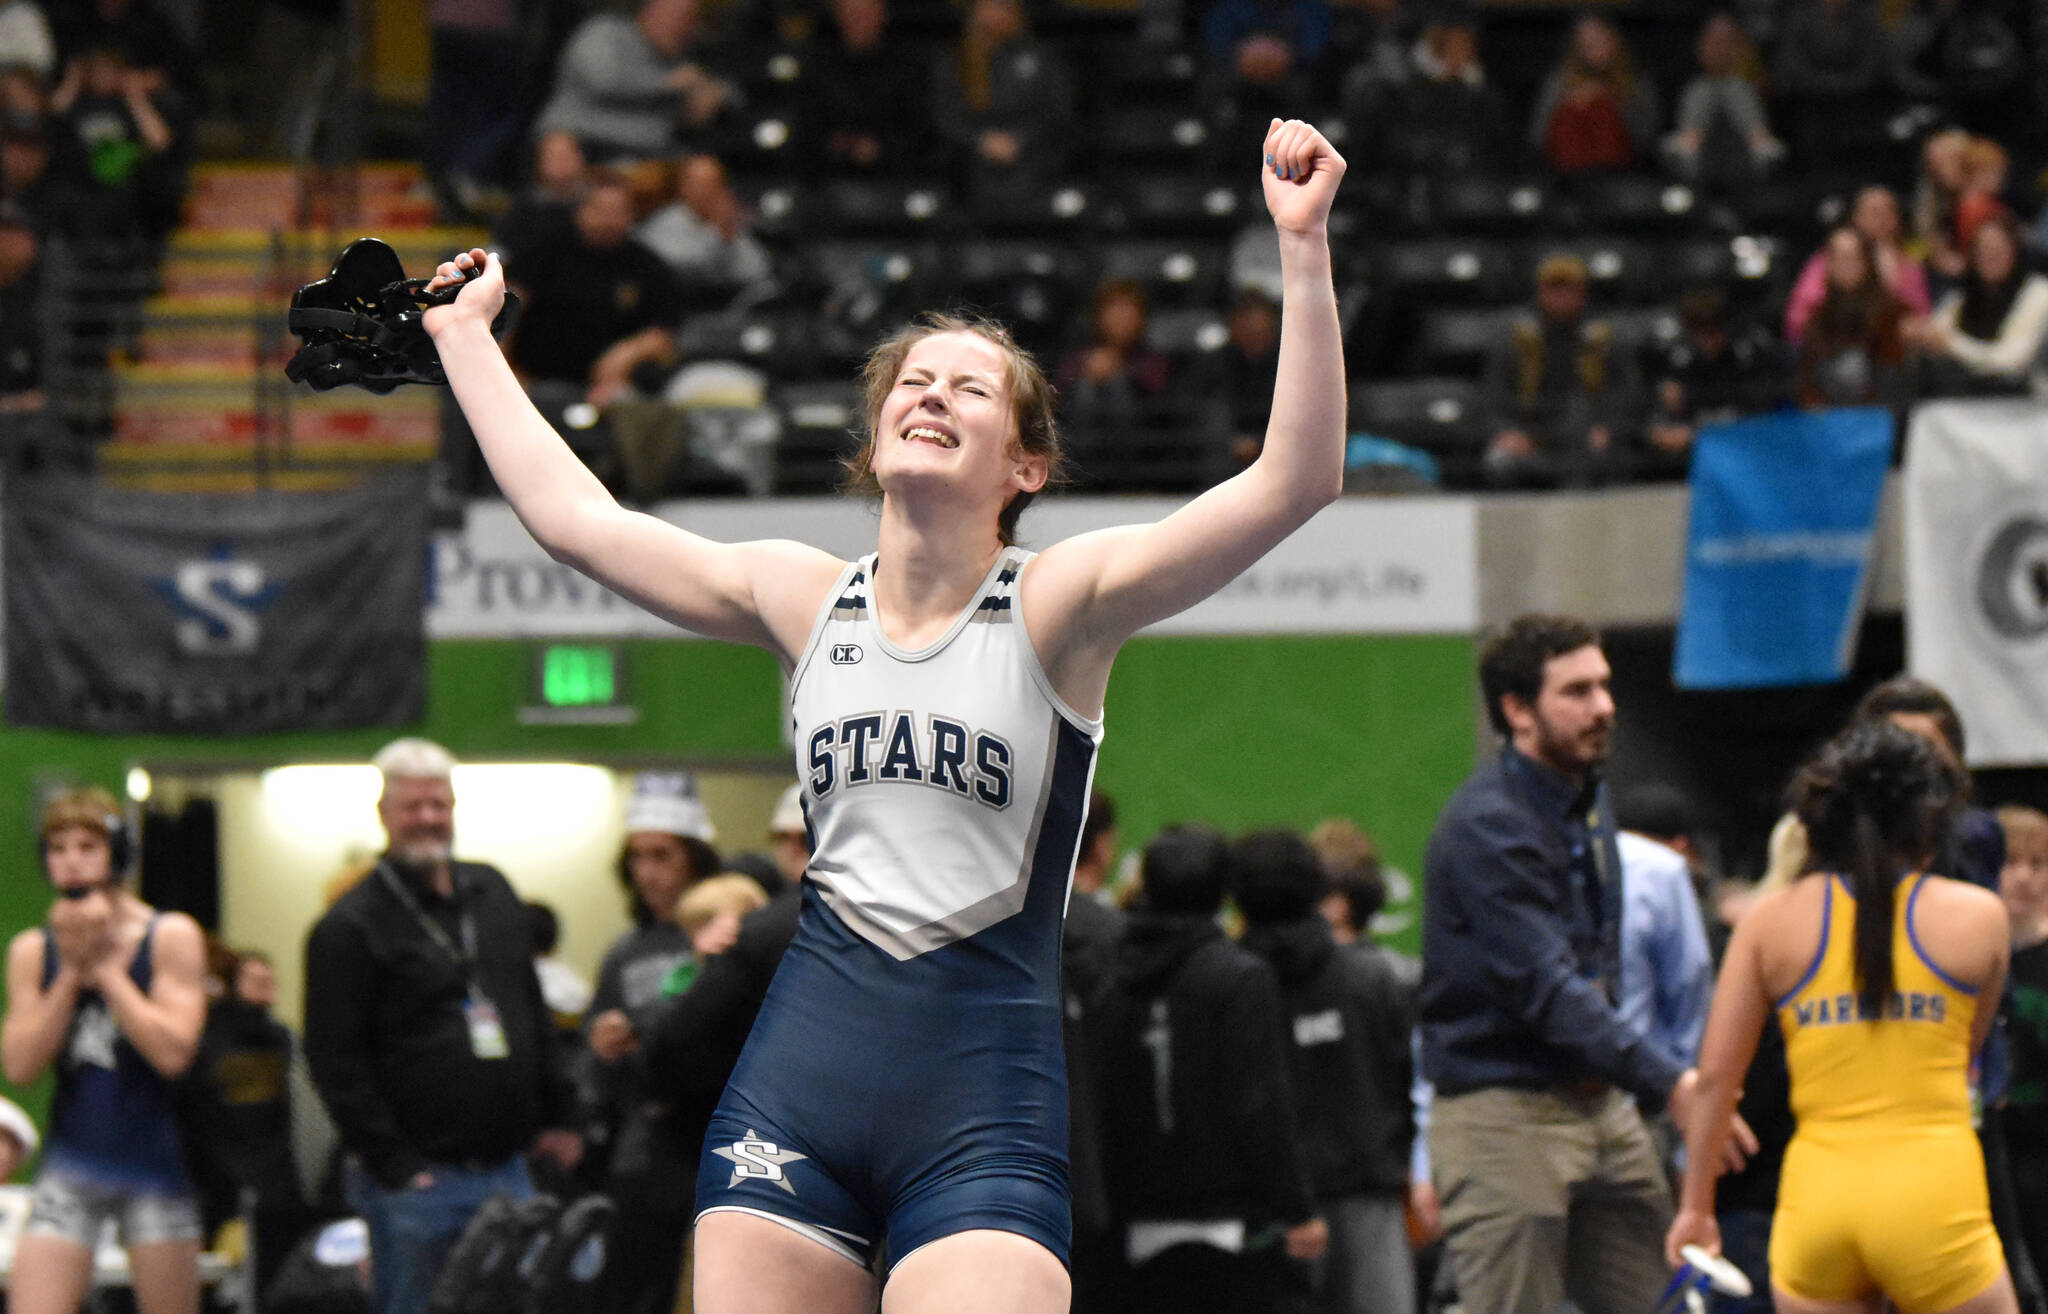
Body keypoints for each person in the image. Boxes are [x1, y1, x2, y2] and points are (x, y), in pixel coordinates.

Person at [420, 116, 1348, 1314]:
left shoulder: (1060, 601)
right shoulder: (800, 595)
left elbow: (1297, 477)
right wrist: (463, 339)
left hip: (982, 1107)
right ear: (872, 438)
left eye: (970, 388)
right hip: (797, 1087)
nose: (930, 394)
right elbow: (578, 523)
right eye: (912, 381)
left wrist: (1304, 247)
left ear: (1023, 465)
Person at [1418, 614, 1754, 1314]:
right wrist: (1675, 1085)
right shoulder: (1489, 826)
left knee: (1660, 1301)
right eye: (1576, 691)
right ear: (1517, 711)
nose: (1604, 707)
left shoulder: (1588, 794)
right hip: (1502, 1115)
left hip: (1601, 1104)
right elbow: (1547, 990)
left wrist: (1663, 1087)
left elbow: (1596, 966)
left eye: (1603, 686)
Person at [1666, 720, 2018, 1314]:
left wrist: (1696, 1209)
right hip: (1934, 1195)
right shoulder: (1979, 917)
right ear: (1928, 819)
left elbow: (1717, 1080)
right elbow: (1966, 1053)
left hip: (1817, 1203)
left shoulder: (1768, 921)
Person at [302, 738, 581, 1314]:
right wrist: (397, 1168)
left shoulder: (494, 892)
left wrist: (562, 1114)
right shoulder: (349, 926)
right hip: (419, 1184)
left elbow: (530, 1009)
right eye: (413, 807)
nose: (429, 818)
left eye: (440, 804)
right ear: (384, 814)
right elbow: (334, 1062)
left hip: (511, 1167)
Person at [1096, 825, 1326, 1314]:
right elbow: (1260, 1103)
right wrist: (1298, 1209)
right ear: (1224, 892)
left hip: (1131, 1228)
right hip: (1232, 1233)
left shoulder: (1112, 982)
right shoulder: (1240, 978)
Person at [1, 786, 207, 1314]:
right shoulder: (32, 949)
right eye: (58, 848)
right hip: (72, 1161)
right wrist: (71, 971)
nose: (71, 862)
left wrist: (109, 971)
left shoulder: (170, 936)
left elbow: (173, 1053)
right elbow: (19, 1065)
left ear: (118, 853)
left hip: (157, 1162)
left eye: (87, 847)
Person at [1231, 828, 1414, 1314]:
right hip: (1366, 1197)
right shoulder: (1375, 978)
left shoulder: (1224, 986)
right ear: (1317, 890)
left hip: (1265, 1213)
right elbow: (1405, 1085)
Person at [587, 771, 722, 1314]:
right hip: (644, 1153)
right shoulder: (627, 952)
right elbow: (596, 1069)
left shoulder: (727, 936)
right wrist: (603, 1048)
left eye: (661, 855)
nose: (647, 872)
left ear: (693, 857)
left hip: (711, 1145)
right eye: (637, 857)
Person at [1481, 254, 1639, 490]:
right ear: (1540, 293)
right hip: (1531, 434)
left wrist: (1610, 428)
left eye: (1569, 290)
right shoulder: (1517, 341)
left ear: (1582, 294)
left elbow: (1629, 392)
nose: (1561, 298)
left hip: (1586, 436)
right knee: (1498, 462)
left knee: (1612, 460)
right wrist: (1506, 432)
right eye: (1554, 290)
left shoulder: (1604, 339)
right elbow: (1494, 398)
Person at [1615, 784, 1715, 1073]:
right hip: (1646, 1078)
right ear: (1682, 845)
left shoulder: (1580, 851)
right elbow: (1689, 982)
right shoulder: (1665, 869)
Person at [1995, 804, 2048, 1289]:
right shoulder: (1970, 953)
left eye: (2038, 864)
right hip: (1990, 1149)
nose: (2024, 878)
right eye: (2011, 863)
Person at [1910, 215, 2048, 398]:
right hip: (1966, 400)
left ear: (2016, 251)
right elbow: (1936, 331)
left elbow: (2011, 363)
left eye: (1999, 249)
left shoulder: (2040, 294)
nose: (1990, 256)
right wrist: (1921, 334)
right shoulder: (1961, 297)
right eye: (1982, 250)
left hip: (2024, 406)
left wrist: (1950, 344)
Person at [1785, 185, 1930, 344]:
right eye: (1873, 212)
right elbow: (1799, 316)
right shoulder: (1832, 256)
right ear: (1856, 218)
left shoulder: (1909, 265)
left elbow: (1920, 315)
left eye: (1889, 212)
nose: (1882, 219)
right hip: (1833, 345)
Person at [1662, 14, 1782, 189]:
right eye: (1712, 42)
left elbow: (1764, 84)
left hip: (1744, 159)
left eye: (1725, 42)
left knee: (1735, 89)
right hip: (1698, 163)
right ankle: (1688, 143)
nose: (1718, 49)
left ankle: (1760, 141)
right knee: (1703, 91)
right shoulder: (1694, 88)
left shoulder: (1747, 82)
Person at [1529, 15, 1659, 175]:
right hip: (1565, 177)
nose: (1592, 49)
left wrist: (1610, 99)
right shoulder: (1559, 82)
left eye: (1599, 41)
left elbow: (1647, 136)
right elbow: (1538, 135)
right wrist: (1570, 104)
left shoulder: (1635, 81)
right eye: (1585, 44)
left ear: (1615, 40)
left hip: (1623, 174)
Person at [1794, 227, 1907, 409]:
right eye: (1835, 258)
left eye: (1849, 257)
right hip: (1829, 424)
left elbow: (1893, 379)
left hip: (1879, 420)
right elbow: (1806, 381)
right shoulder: (1818, 319)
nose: (1842, 265)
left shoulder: (1892, 313)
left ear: (1866, 263)